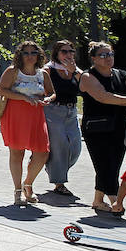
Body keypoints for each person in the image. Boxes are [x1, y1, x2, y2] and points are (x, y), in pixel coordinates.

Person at [78, 41, 126, 216]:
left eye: (110, 54)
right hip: (96, 129)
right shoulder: (88, 76)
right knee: (104, 165)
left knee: (113, 165)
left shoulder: (123, 75)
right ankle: (115, 202)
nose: (108, 58)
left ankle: (97, 200)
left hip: (118, 127)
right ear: (94, 58)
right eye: (103, 55)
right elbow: (104, 97)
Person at [0, 40, 54, 205]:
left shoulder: (42, 73)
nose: (30, 56)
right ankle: (17, 191)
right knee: (17, 153)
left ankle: (27, 184)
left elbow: (51, 93)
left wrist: (47, 99)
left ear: (39, 55)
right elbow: (2, 90)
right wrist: (24, 97)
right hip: (15, 114)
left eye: (33, 53)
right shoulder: (13, 71)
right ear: (20, 55)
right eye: (26, 53)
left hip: (36, 115)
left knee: (43, 152)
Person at [42, 42, 83, 194]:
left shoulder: (75, 70)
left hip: (71, 112)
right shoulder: (48, 69)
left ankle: (49, 166)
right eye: (64, 51)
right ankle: (59, 183)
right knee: (59, 148)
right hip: (53, 111)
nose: (68, 54)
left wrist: (75, 71)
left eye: (71, 51)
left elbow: (88, 84)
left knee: (75, 148)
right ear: (56, 53)